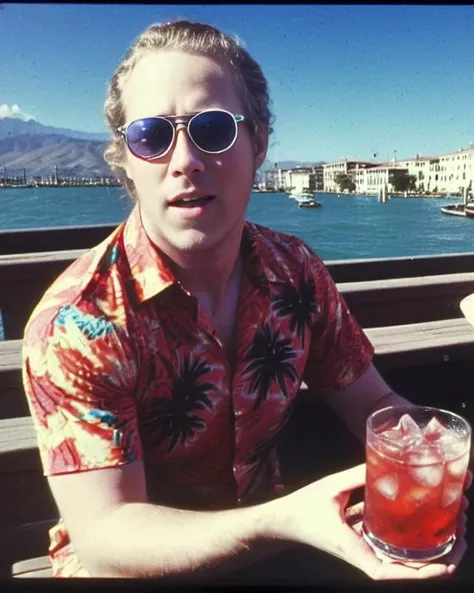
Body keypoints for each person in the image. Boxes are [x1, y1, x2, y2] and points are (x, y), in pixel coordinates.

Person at [22, 20, 468, 581]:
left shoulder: (296, 272)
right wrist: (278, 521)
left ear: (258, 144)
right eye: (152, 136)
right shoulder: (79, 322)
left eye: (212, 129)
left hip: (270, 544)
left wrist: (435, 461)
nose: (183, 160)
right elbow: (106, 536)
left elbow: (374, 407)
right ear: (127, 161)